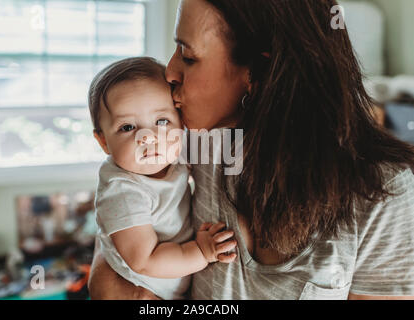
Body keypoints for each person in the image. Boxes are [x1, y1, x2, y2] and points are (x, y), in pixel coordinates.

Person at [88, 0, 414, 300]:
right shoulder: (202, 143)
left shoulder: (386, 194)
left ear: (258, 73)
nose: (170, 73)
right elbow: (116, 251)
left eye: (188, 56)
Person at [88, 57, 237, 300]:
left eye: (161, 121)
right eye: (127, 127)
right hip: (143, 288)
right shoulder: (123, 190)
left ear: (181, 122)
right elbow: (145, 260)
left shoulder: (173, 154)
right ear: (103, 140)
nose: (149, 137)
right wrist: (200, 251)